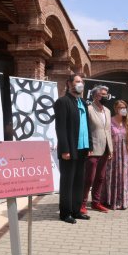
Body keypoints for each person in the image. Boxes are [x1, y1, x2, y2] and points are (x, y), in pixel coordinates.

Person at [54, 73, 92, 224]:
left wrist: (89, 145)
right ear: (69, 84)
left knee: (79, 181)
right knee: (67, 182)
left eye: (82, 82)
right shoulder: (62, 102)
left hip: (83, 148)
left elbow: (87, 127)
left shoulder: (83, 102)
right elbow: (60, 128)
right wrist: (64, 149)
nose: (80, 84)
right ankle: (65, 213)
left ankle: (76, 211)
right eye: (77, 81)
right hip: (69, 149)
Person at [81, 85, 113, 214]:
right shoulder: (88, 109)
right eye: (102, 94)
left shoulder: (107, 111)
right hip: (93, 148)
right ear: (94, 96)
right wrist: (87, 146)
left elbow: (108, 131)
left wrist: (111, 149)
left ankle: (96, 202)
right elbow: (85, 129)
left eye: (106, 94)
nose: (105, 96)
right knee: (89, 178)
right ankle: (82, 203)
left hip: (105, 148)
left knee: (100, 177)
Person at [103, 100, 128, 210]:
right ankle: (110, 200)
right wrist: (108, 151)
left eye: (125, 107)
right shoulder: (109, 121)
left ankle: (123, 200)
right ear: (116, 109)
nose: (123, 109)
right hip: (113, 153)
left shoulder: (127, 122)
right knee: (112, 176)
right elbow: (106, 138)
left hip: (124, 154)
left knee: (123, 177)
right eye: (121, 107)